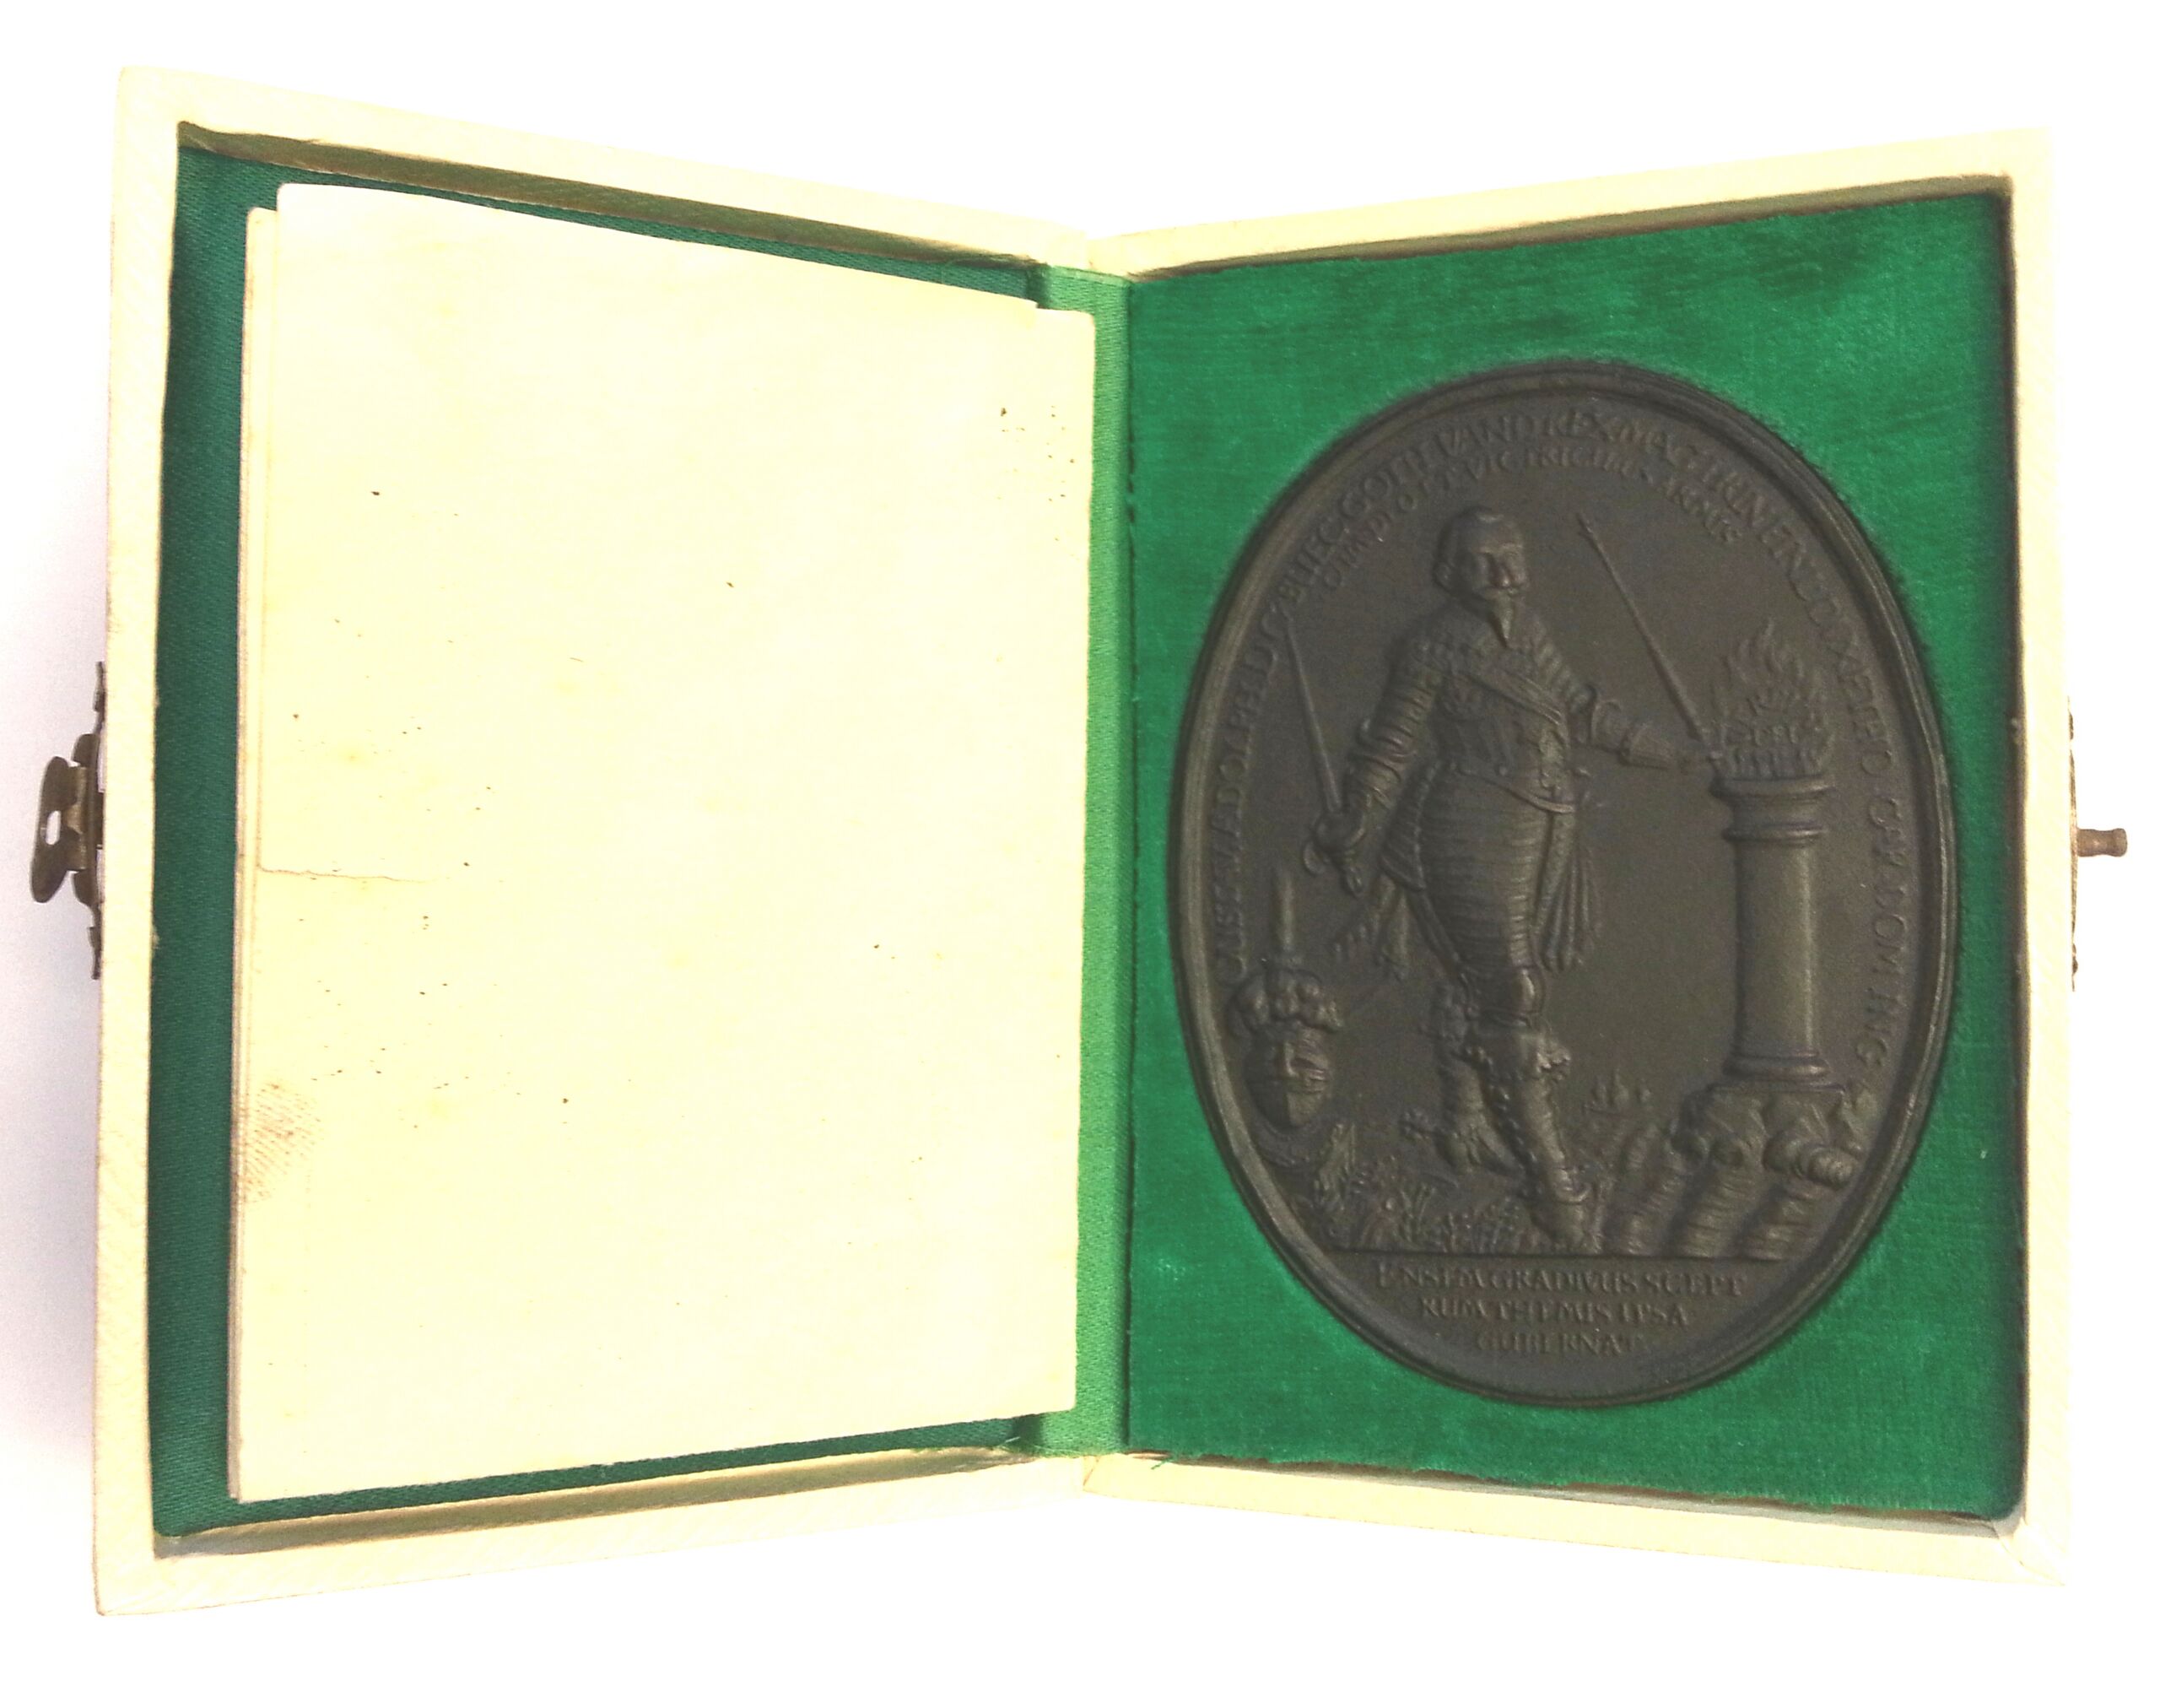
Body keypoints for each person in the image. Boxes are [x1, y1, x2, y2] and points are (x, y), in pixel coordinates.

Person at [1308, 505, 1700, 1250]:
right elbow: (1393, 742)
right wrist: (1357, 816)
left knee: (1476, 983)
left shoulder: (1529, 634)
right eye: (1485, 562)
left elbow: (1577, 709)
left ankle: (1465, 1125)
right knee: (1514, 989)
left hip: (1543, 826)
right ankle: (1556, 1189)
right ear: (1449, 572)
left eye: (1513, 558)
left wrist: (1665, 751)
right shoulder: (1430, 646)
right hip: (1466, 824)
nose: (1505, 575)